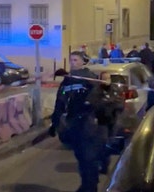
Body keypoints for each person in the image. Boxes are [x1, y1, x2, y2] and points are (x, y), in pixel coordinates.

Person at [48, 51, 107, 192]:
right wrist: (54, 124)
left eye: (75, 60)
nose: (73, 63)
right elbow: (60, 103)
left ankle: (89, 187)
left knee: (88, 158)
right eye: (71, 60)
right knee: (82, 157)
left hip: (90, 124)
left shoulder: (90, 79)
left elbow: (100, 99)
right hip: (75, 124)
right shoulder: (67, 81)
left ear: (83, 62)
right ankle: (89, 184)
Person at [95, 72, 125, 174]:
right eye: (104, 78)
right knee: (103, 143)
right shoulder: (96, 91)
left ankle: (105, 163)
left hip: (113, 120)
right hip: (101, 122)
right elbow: (96, 105)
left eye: (108, 78)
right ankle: (104, 165)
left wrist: (112, 104)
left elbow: (120, 105)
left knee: (109, 144)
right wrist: (109, 102)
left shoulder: (115, 90)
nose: (106, 80)